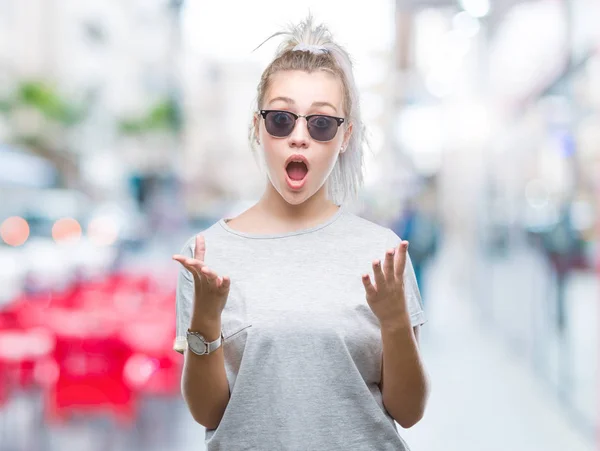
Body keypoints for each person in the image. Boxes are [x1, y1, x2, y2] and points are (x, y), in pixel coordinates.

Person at [171, 15, 430, 451]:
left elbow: (409, 410)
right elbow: (208, 413)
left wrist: (394, 320)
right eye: (281, 119)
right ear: (258, 127)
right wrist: (206, 319)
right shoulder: (206, 254)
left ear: (345, 136)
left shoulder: (381, 252)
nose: (299, 137)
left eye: (321, 123)